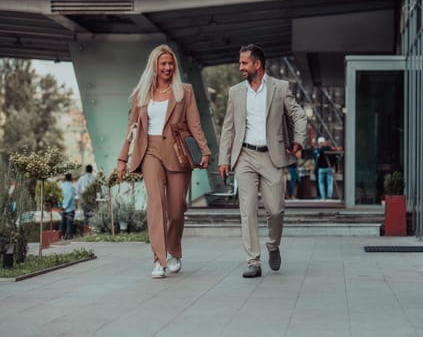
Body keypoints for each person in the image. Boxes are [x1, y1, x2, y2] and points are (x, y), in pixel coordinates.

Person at [116, 44, 211, 279]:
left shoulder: (184, 92)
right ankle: (159, 259)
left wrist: (205, 151)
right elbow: (133, 127)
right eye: (163, 64)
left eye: (171, 63)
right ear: (155, 67)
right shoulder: (141, 94)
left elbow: (195, 124)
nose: (168, 67)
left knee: (177, 209)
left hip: (178, 153)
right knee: (156, 205)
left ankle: (174, 250)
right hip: (149, 151)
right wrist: (122, 158)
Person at [218, 44, 307, 278]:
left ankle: (273, 245)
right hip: (244, 156)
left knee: (276, 210)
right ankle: (253, 261)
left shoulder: (280, 88)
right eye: (240, 63)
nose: (240, 68)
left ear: (258, 64)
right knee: (247, 211)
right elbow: (228, 127)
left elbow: (298, 114)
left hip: (272, 156)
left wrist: (298, 140)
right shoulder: (236, 92)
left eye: (244, 63)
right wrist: (223, 159)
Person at [59, 173, 75, 240]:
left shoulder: (61, 186)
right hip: (70, 209)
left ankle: (61, 237)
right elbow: (70, 197)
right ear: (71, 178)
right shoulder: (71, 187)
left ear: (65, 178)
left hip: (62, 208)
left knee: (62, 223)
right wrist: (66, 206)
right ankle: (68, 238)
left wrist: (61, 205)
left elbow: (59, 196)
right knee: (69, 224)